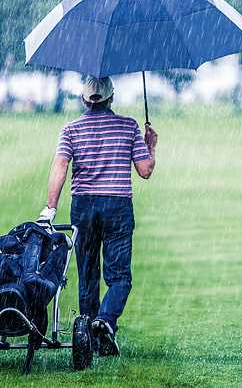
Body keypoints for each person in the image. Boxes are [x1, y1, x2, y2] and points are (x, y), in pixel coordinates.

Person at [37, 76, 157, 356]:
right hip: (118, 207)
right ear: (111, 98)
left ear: (83, 99)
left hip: (84, 207)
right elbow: (145, 170)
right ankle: (105, 320)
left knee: (87, 276)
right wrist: (150, 145)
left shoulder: (71, 130)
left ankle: (87, 336)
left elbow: (61, 164)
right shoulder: (129, 126)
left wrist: (51, 207)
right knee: (119, 278)